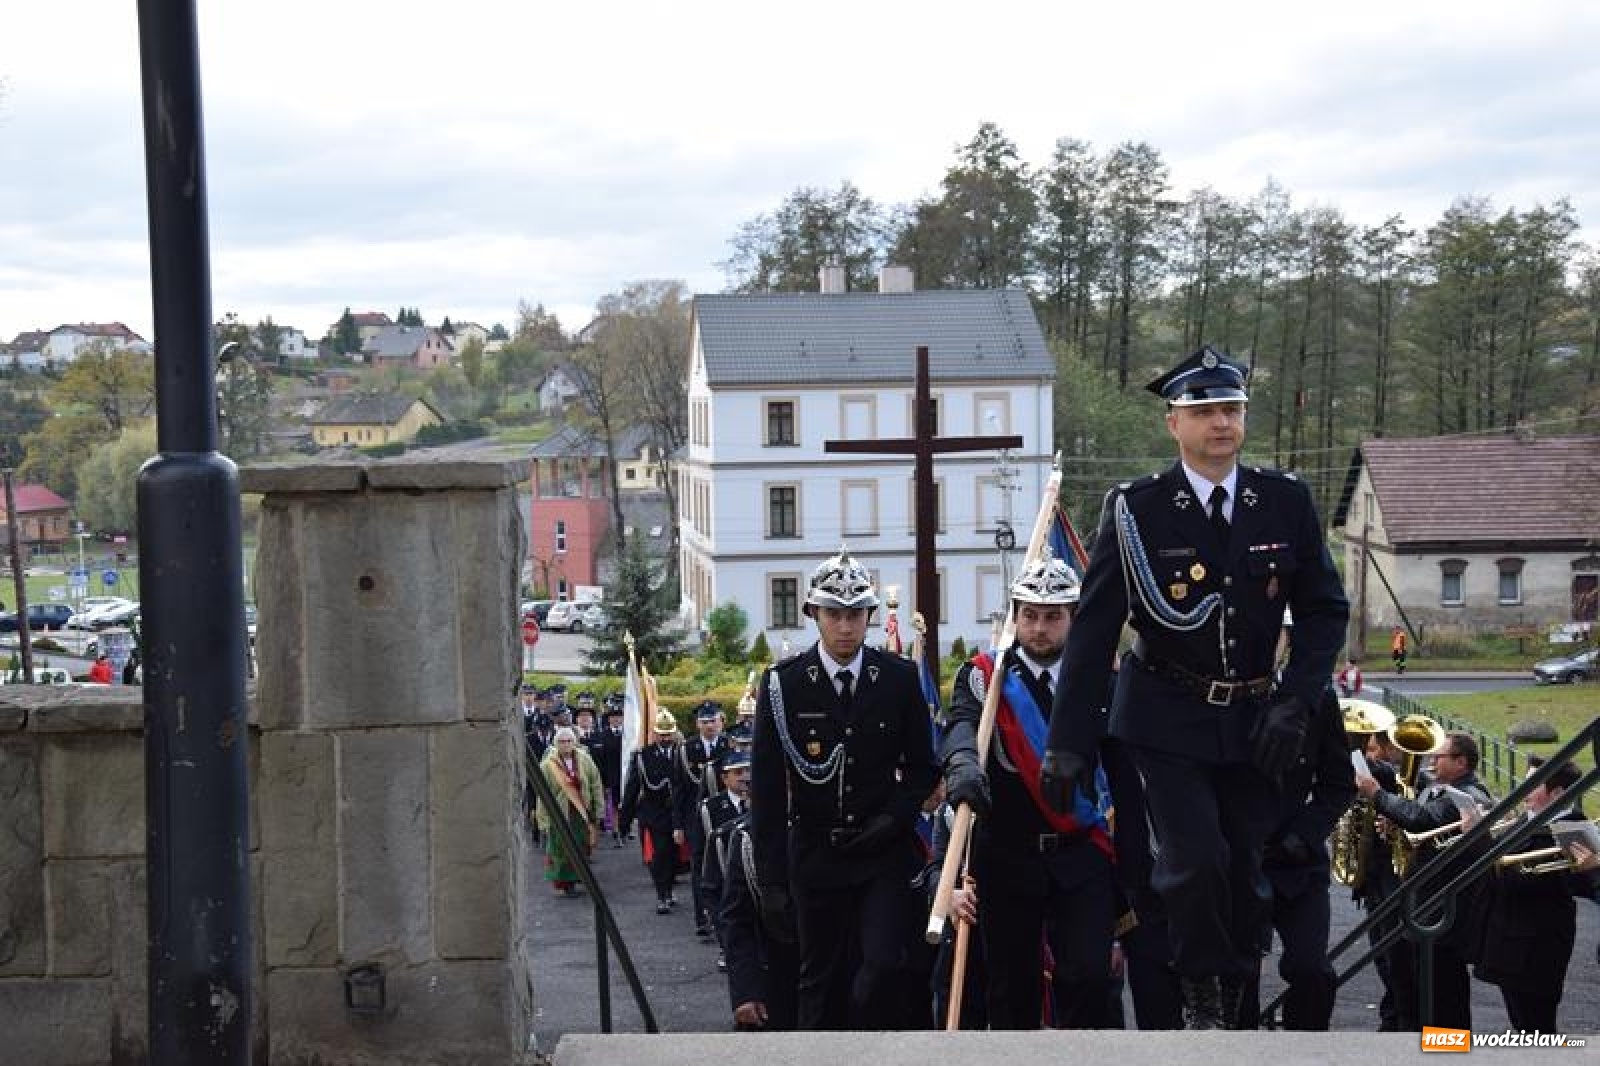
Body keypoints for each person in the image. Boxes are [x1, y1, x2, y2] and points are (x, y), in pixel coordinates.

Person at [1040, 345, 1350, 1030]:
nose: (1222, 423)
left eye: (1232, 409)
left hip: (1255, 716)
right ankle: (1203, 988)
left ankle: (1234, 991)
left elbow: (1326, 610)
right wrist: (1067, 744)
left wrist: (1295, 701)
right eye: (1205, 411)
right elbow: (1093, 633)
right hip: (1165, 713)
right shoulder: (1137, 509)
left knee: (1243, 867)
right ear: (1173, 423)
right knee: (1195, 858)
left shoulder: (1285, 501)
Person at [751, 546, 938, 1030]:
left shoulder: (897, 679)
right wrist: (771, 882)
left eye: (855, 614)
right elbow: (767, 793)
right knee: (819, 980)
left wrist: (892, 819)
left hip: (882, 853)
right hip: (816, 854)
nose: (845, 626)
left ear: (869, 616)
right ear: (813, 614)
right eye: (834, 614)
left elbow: (923, 769)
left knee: (883, 966)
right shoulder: (783, 685)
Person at [942, 549, 1118, 1028]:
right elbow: (962, 727)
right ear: (1015, 616)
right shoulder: (985, 677)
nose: (1040, 628)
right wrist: (962, 764)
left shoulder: (1099, 679)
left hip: (1080, 854)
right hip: (1008, 856)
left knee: (1088, 977)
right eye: (1031, 615)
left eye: (1053, 616)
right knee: (1011, 991)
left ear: (1073, 617)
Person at [1355, 731, 1494, 1029]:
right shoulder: (1443, 790)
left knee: (1444, 997)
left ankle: (1447, 1049)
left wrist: (1377, 795)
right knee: (1425, 990)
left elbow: (1422, 819)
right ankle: (1421, 1042)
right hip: (1429, 905)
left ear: (1461, 762)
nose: (1431, 761)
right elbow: (1421, 823)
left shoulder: (1467, 796)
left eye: (1439, 756)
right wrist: (1398, 829)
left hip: (1443, 910)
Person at [1238, 687, 1354, 1029]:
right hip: (1238, 858)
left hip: (1297, 861)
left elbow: (1339, 783)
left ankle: (1305, 1046)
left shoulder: (1318, 698)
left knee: (1311, 969)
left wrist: (1302, 836)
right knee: (1238, 975)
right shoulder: (1222, 689)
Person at [1472, 756, 1598, 1032]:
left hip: (1537, 948)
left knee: (1537, 1025)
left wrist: (1479, 841)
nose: (1524, 789)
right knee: (1520, 1022)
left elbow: (1521, 880)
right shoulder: (1527, 820)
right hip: (1507, 940)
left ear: (1558, 793)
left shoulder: (1572, 830)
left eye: (1534, 784)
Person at [619, 709, 688, 914]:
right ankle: (662, 895)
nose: (665, 739)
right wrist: (624, 821)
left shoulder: (684, 753)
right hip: (655, 813)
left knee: (676, 855)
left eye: (669, 734)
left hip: (680, 811)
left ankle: (670, 888)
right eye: (661, 734)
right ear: (655, 734)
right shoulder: (643, 756)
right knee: (660, 855)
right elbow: (632, 790)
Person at [680, 700, 732, 937]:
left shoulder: (731, 746)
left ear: (721, 722)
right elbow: (679, 788)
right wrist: (678, 825)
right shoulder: (686, 749)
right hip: (697, 817)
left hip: (726, 815)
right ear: (697, 724)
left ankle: (725, 915)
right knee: (700, 866)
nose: (709, 726)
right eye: (704, 722)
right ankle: (703, 915)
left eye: (713, 721)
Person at [535, 726, 603, 897]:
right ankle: (567, 883)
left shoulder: (585, 760)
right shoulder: (548, 765)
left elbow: (595, 784)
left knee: (582, 846)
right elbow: (542, 795)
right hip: (560, 814)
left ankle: (580, 877)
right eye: (561, 741)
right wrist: (543, 821)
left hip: (581, 812)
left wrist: (598, 810)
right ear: (555, 743)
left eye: (569, 741)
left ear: (575, 742)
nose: (565, 744)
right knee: (562, 850)